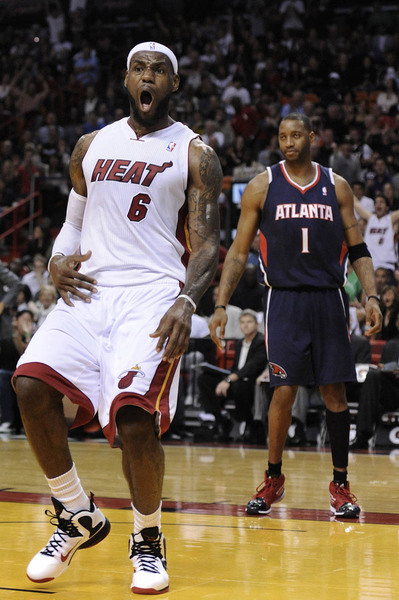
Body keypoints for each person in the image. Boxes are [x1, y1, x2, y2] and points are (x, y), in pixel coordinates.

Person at [13, 41, 222, 595]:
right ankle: (77, 512)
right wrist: (59, 259)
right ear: (126, 80)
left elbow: (206, 247)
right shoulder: (91, 144)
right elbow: (72, 226)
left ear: (173, 84)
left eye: (159, 70)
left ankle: (147, 539)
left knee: (134, 422)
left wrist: (188, 299)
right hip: (90, 292)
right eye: (138, 68)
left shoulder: (195, 153)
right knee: (30, 383)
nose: (147, 77)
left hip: (152, 297)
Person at [209, 113, 382, 519]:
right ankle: (273, 479)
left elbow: (357, 249)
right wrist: (220, 304)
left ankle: (340, 485)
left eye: (296, 135)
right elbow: (237, 252)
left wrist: (370, 294)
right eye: (283, 136)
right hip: (283, 299)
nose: (289, 142)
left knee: (333, 393)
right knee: (282, 391)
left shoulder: (336, 185)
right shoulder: (261, 186)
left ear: (312, 138)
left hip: (329, 298)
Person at [197, 309, 267, 440]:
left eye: (249, 322)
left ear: (257, 325)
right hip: (235, 380)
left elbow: (251, 367)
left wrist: (228, 380)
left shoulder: (261, 342)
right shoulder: (240, 343)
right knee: (204, 380)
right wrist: (222, 376)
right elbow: (235, 367)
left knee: (239, 387)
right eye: (242, 322)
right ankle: (221, 419)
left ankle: (248, 423)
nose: (245, 325)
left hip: (252, 382)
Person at [350, 313, 399, 450]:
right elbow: (382, 367)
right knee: (372, 375)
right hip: (393, 390)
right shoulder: (391, 345)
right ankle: (362, 435)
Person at [354, 193, 399, 283]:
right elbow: (356, 204)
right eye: (376, 202)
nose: (378, 204)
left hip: (387, 267)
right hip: (370, 267)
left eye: (381, 202)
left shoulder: (391, 219)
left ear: (387, 207)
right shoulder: (371, 218)